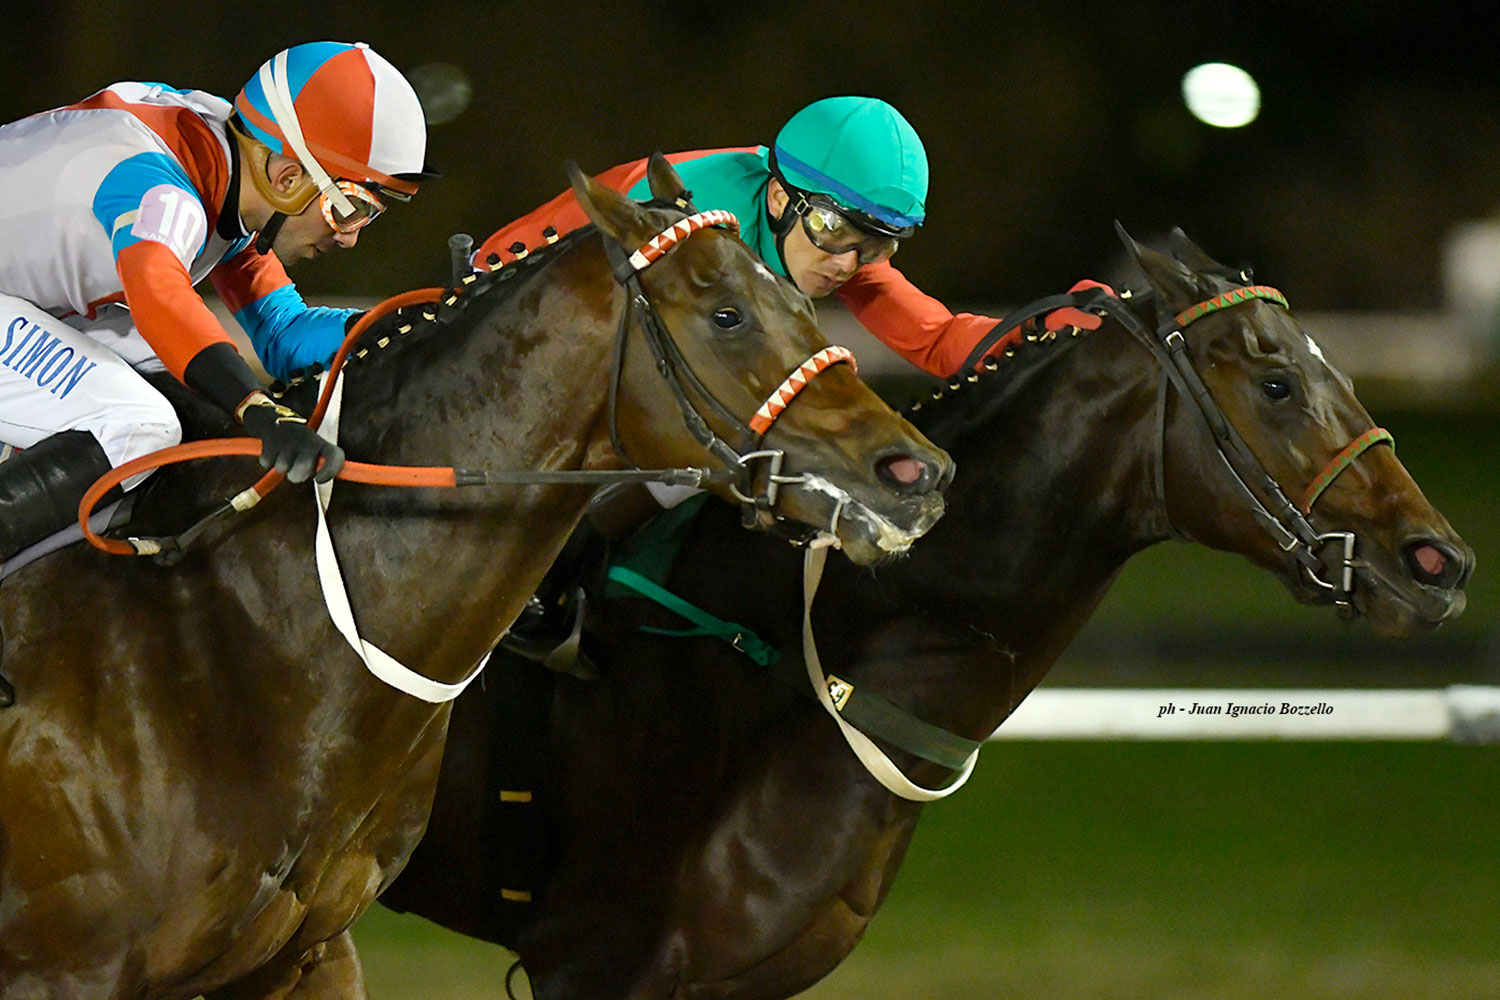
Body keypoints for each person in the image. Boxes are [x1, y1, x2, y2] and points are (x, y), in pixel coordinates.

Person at [0, 40, 433, 563]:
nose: (350, 237)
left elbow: (283, 334)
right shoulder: (165, 192)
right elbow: (161, 297)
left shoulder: (226, 168)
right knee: (140, 427)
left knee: (207, 416)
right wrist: (256, 407)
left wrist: (411, 321)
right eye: (349, 209)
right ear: (288, 178)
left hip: (23, 296)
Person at [478, 94, 1107, 380]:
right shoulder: (674, 205)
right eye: (835, 230)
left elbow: (940, 341)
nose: (849, 264)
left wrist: (1047, 326)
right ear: (781, 198)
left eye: (876, 245)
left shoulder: (831, 241)